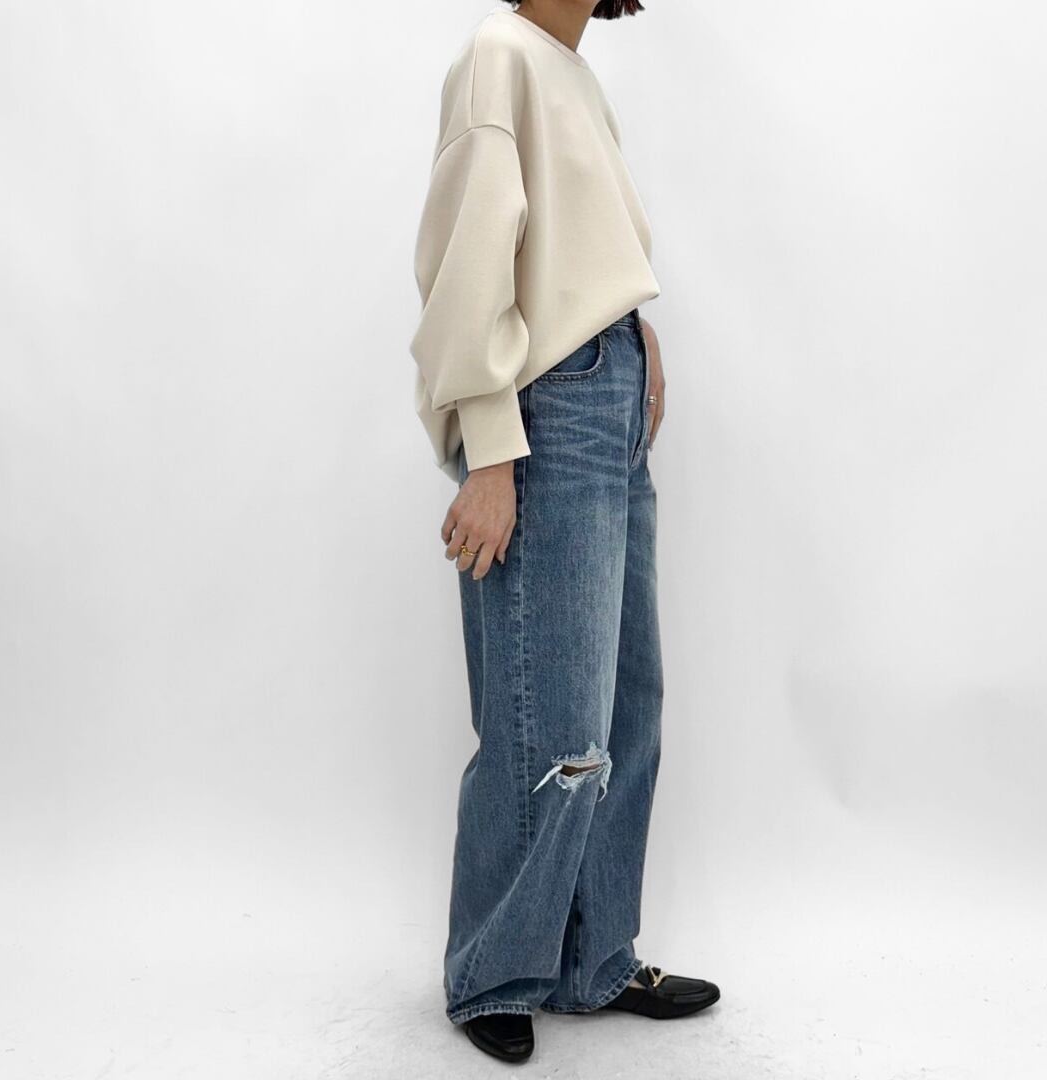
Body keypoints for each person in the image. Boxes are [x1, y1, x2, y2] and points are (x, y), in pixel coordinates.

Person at [408, 0, 720, 1064]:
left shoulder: (564, 68)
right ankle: (494, 969)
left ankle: (593, 958)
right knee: (554, 726)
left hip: (607, 394)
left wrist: (633, 333)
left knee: (625, 708)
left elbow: (565, 255)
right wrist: (491, 451)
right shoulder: (499, 55)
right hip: (550, 409)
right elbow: (465, 269)